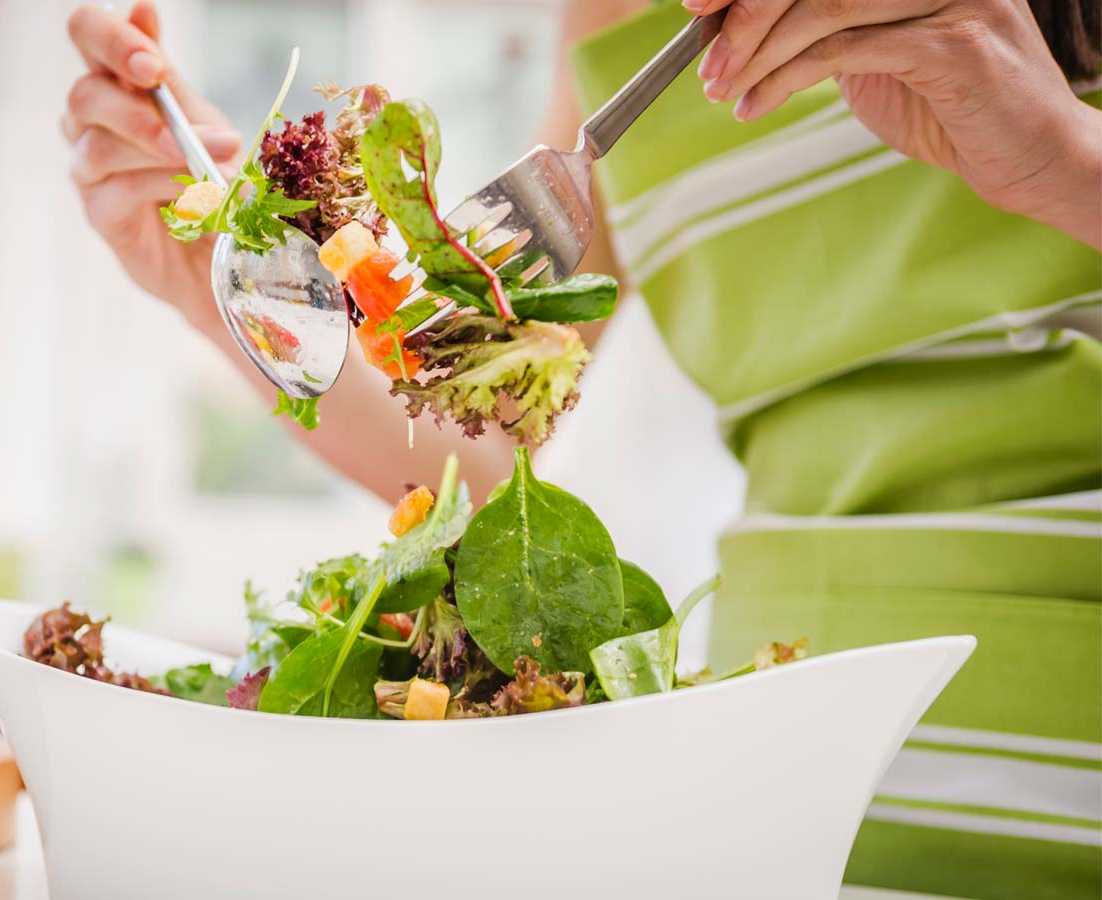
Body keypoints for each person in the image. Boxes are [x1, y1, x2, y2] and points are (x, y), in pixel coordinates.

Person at [62, 0, 1101, 896]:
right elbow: (473, 441)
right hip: (786, 798)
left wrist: (1066, 163)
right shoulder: (610, 21)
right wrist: (228, 289)